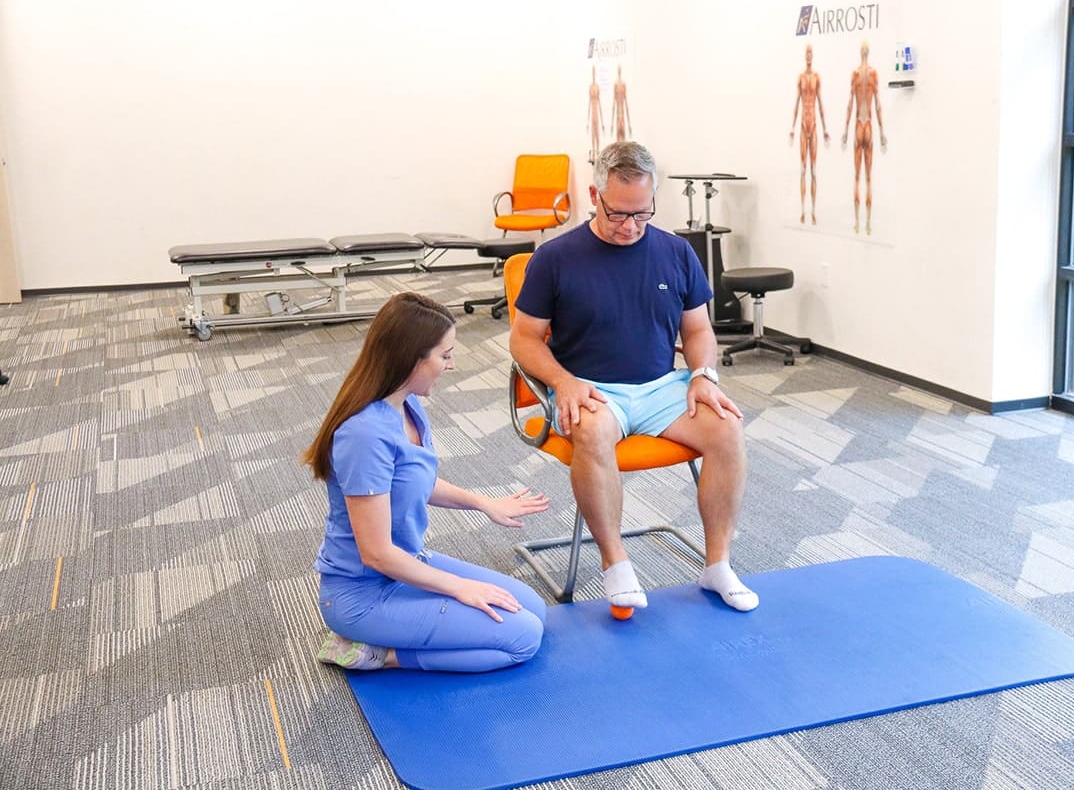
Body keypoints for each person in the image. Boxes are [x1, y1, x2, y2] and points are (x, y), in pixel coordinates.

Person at [509, 141, 758, 613]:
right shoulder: (556, 258)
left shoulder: (676, 252)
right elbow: (523, 340)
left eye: (642, 214)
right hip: (593, 390)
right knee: (593, 430)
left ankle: (718, 565)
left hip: (662, 388)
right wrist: (562, 381)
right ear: (593, 195)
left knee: (727, 428)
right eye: (619, 214)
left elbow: (699, 328)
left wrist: (703, 375)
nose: (630, 227)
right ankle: (615, 563)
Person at [302, 292, 550, 672]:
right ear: (411, 358)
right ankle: (373, 654)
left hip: (407, 566)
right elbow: (377, 554)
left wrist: (485, 503)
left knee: (532, 608)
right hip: (362, 596)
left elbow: (417, 483)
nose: (451, 365)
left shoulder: (408, 405)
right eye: (445, 355)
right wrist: (458, 587)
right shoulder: (365, 435)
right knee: (522, 638)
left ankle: (405, 631)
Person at [841, 39, 888, 235]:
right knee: (868, 178)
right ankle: (867, 223)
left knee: (857, 176)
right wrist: (881, 130)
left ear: (861, 51)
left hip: (858, 126)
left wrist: (845, 130)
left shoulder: (855, 74)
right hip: (868, 124)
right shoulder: (873, 74)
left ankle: (858, 224)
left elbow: (851, 104)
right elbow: (877, 104)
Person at [788, 43, 830, 225]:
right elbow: (797, 102)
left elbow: (820, 102)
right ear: (805, 56)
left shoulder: (816, 78)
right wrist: (792, 127)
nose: (808, 56)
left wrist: (825, 128)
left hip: (813, 123)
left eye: (811, 53)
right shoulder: (801, 78)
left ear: (813, 56)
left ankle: (813, 210)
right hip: (803, 126)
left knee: (813, 170)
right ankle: (803, 211)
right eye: (806, 53)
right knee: (803, 169)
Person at [587, 64, 605, 164]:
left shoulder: (597, 87)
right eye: (592, 71)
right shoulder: (590, 87)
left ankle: (598, 151)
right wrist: (587, 121)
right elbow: (589, 103)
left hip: (597, 112)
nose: (593, 74)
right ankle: (593, 152)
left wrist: (602, 121)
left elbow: (599, 103)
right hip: (592, 113)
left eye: (595, 71)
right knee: (593, 132)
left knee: (597, 132)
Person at [610, 64, 633, 142]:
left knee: (623, 136)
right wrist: (612, 124)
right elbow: (613, 104)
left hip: (622, 115)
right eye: (618, 69)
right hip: (618, 115)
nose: (619, 71)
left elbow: (626, 104)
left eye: (620, 69)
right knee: (618, 137)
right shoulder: (616, 85)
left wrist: (629, 124)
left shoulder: (623, 85)